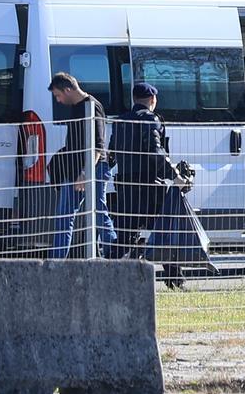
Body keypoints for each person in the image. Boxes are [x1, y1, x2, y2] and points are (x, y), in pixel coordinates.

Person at [47, 72, 117, 258]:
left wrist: (86, 172)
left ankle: (117, 254)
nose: (58, 100)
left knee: (99, 213)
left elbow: (98, 146)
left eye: (58, 95)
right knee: (65, 217)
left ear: (68, 89)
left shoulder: (92, 107)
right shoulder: (77, 107)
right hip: (75, 170)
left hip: (93, 169)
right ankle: (57, 263)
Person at [109, 82, 175, 257]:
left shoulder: (120, 121)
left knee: (124, 236)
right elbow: (155, 152)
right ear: (153, 99)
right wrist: (174, 175)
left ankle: (107, 273)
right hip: (149, 186)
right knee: (162, 233)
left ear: (134, 99)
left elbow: (111, 155)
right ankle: (175, 277)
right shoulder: (150, 119)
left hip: (125, 186)